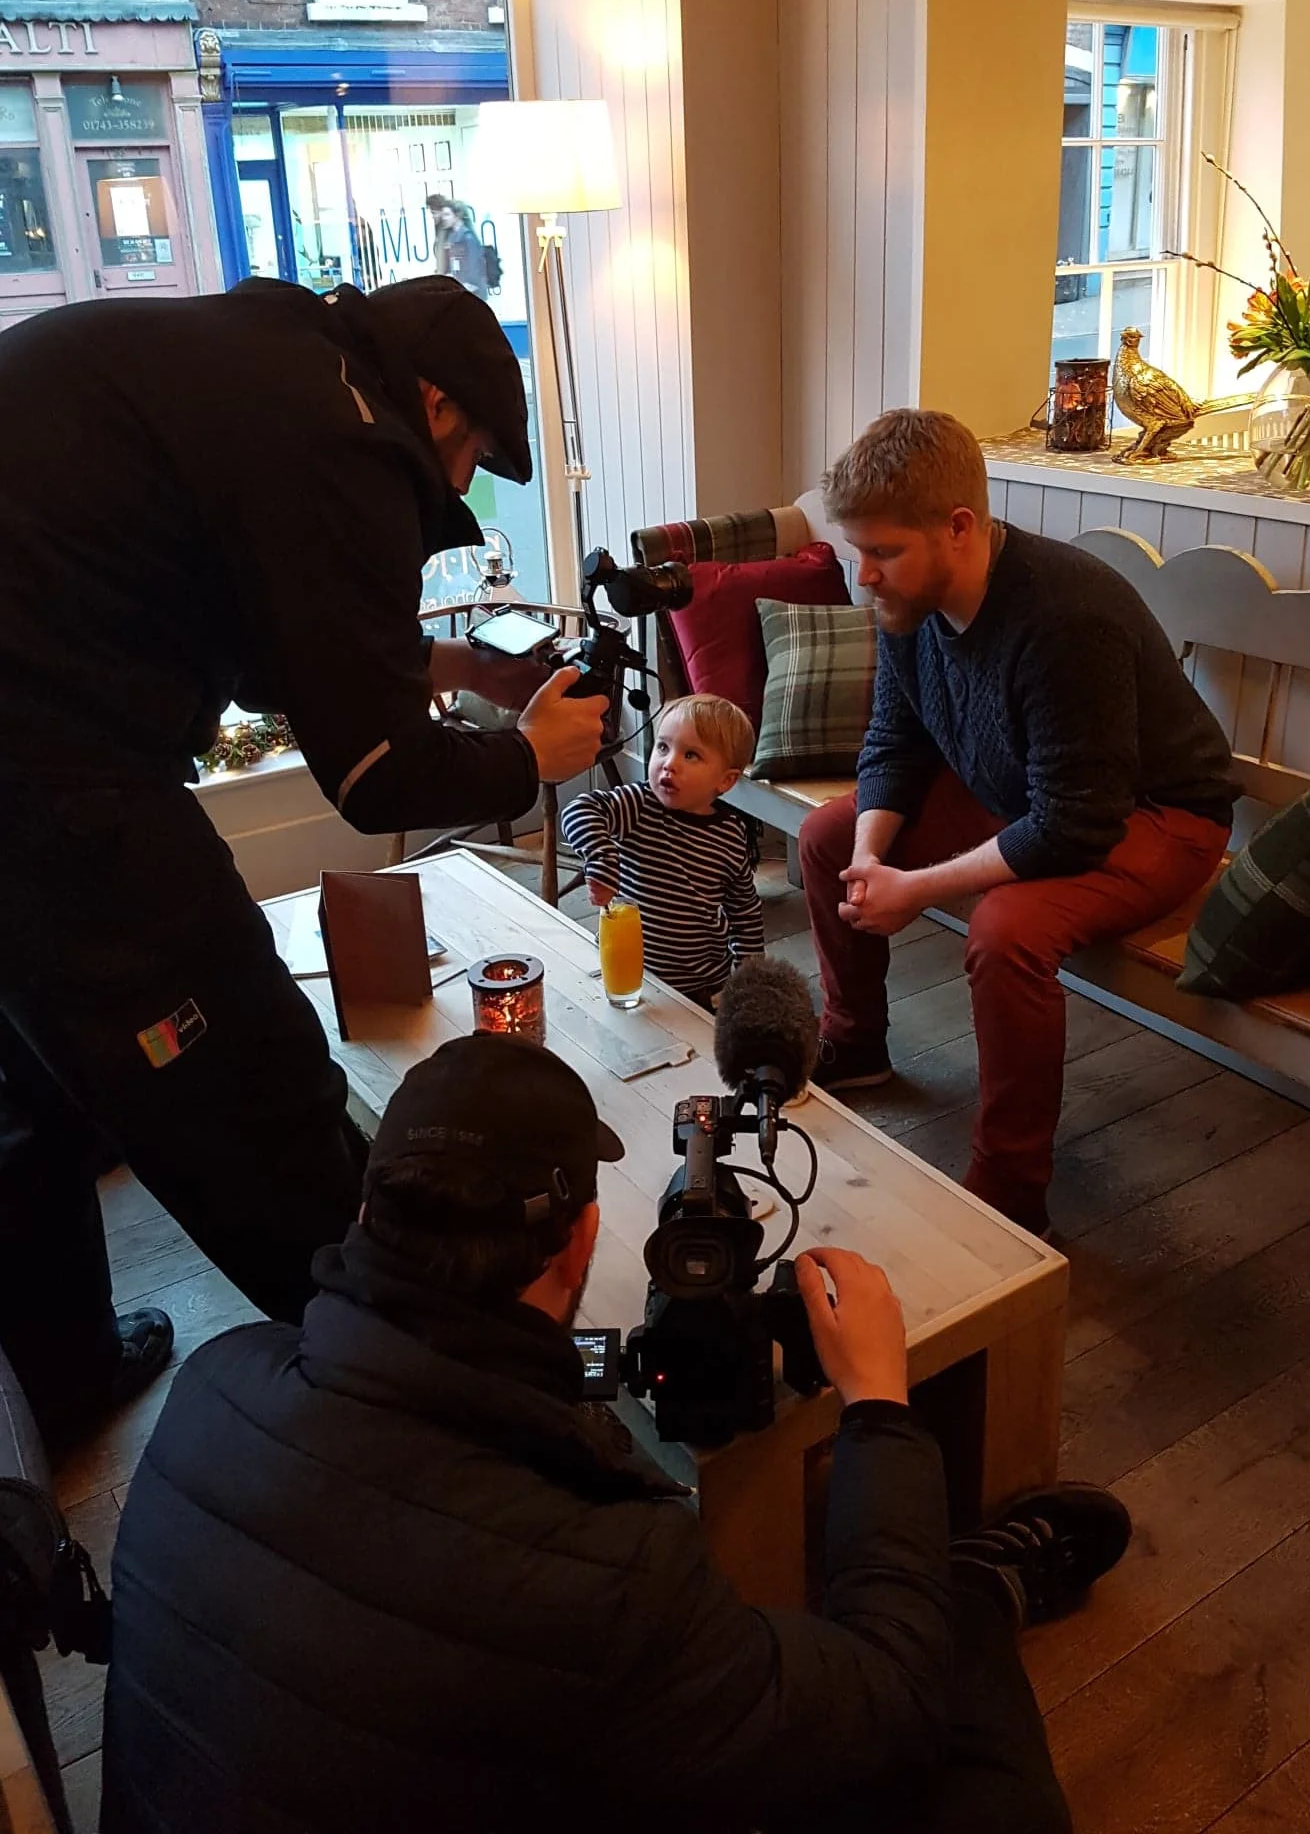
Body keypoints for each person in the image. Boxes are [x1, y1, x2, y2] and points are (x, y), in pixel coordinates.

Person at [101, 1031, 1130, 1834]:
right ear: (583, 1237)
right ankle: (974, 1592)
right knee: (991, 1799)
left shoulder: (213, 1387)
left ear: (369, 1211)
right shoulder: (610, 1583)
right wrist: (877, 1404)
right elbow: (885, 1709)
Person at [0, 274, 609, 1441]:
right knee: (255, 1087)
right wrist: (528, 757)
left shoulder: (270, 363)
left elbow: (274, 636)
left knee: (33, 1096)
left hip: (30, 753)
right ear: (435, 401)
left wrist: (451, 669)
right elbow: (377, 779)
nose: (463, 485)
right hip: (50, 786)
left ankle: (66, 1373)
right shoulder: (345, 438)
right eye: (474, 454)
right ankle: (419, 1411)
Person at [800, 409, 1236, 1235]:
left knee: (1006, 932)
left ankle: (1010, 1190)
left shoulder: (1066, 619)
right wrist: (870, 861)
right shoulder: (910, 603)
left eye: (883, 551)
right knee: (829, 837)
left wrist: (916, 888)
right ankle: (854, 1045)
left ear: (959, 527)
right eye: (858, 550)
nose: (865, 574)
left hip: (1154, 816)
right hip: (1029, 792)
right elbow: (895, 741)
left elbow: (1075, 825)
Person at [561, 693, 765, 1008]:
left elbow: (744, 911)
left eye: (691, 755)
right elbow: (578, 810)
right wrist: (602, 857)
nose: (669, 764)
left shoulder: (731, 833)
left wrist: (751, 977)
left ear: (725, 780)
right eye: (663, 747)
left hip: (701, 984)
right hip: (628, 970)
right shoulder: (639, 804)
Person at [427, 192, 491, 299]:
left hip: (473, 292)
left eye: (447, 215)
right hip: (462, 289)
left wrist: (468, 284)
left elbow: (474, 265)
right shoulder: (452, 237)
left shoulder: (467, 237)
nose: (444, 218)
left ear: (457, 216)